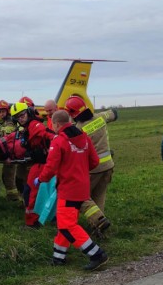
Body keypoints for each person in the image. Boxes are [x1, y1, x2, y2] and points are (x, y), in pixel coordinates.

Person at [35, 110, 109, 270]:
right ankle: (58, 257)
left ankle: (97, 254)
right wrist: (79, 169)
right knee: (66, 222)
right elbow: (95, 161)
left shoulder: (58, 141)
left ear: (57, 124)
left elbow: (50, 167)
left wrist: (40, 179)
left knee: (66, 226)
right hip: (82, 187)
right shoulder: (84, 137)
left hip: (68, 189)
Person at [65, 95, 117, 237]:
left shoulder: (79, 128)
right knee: (99, 196)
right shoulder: (100, 117)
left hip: (93, 168)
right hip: (108, 165)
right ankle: (98, 228)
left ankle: (98, 220)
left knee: (80, 196)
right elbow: (114, 113)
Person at [10, 101, 55, 229]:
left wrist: (52, 151)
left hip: (43, 164)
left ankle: (32, 222)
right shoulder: (28, 127)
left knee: (30, 192)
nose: (21, 118)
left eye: (22, 115)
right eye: (18, 117)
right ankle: (52, 217)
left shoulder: (35, 126)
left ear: (28, 112)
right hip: (41, 163)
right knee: (49, 191)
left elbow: (52, 136)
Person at [0, 100, 21, 201]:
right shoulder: (5, 122)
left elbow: (7, 136)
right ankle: (12, 195)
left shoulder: (10, 122)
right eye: (0, 112)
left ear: (7, 111)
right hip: (9, 152)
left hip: (11, 153)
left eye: (3, 111)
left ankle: (13, 197)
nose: (1, 114)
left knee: (8, 176)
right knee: (6, 175)